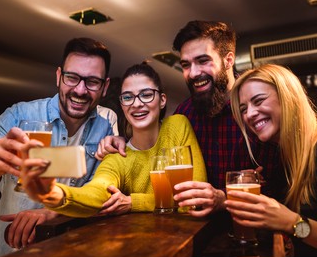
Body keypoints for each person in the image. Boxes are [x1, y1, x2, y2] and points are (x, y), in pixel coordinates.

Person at [96, 21, 285, 217]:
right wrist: (123, 139)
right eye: (186, 64)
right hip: (197, 232)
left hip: (259, 230)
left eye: (203, 61)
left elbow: (279, 189)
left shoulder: (257, 113)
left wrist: (226, 197)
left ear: (228, 60)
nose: (194, 73)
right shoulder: (184, 114)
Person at [0, 37, 118, 257]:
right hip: (8, 252)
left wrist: (50, 213)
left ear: (105, 87)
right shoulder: (19, 115)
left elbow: (99, 195)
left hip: (68, 253)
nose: (81, 90)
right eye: (72, 78)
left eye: (92, 81)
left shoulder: (106, 123)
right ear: (59, 76)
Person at [19, 62, 207, 217]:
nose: (137, 103)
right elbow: (96, 191)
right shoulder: (117, 156)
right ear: (122, 105)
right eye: (128, 97)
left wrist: (134, 201)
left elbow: (194, 199)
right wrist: (54, 193)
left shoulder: (178, 126)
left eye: (147, 94)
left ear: (162, 100)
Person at [226, 63, 317, 257]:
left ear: (288, 98)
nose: (250, 114)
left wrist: (292, 223)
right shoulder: (286, 160)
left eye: (259, 101)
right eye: (244, 109)